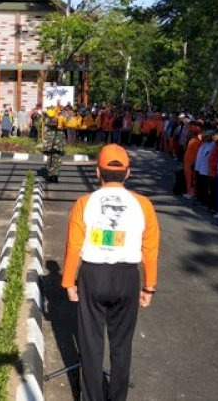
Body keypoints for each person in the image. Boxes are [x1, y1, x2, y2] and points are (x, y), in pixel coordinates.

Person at [62, 144, 160, 401]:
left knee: (90, 344)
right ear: (127, 173)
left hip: (92, 275)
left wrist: (69, 282)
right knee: (122, 345)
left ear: (97, 172)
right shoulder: (143, 204)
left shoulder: (84, 203)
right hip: (127, 278)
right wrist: (149, 286)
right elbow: (150, 249)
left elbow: (73, 246)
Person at [43, 115, 65, 183]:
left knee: (50, 164)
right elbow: (63, 142)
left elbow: (46, 142)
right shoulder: (61, 132)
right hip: (58, 151)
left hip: (50, 151)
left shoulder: (48, 133)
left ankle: (50, 177)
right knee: (57, 164)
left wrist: (45, 150)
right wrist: (62, 150)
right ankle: (55, 178)